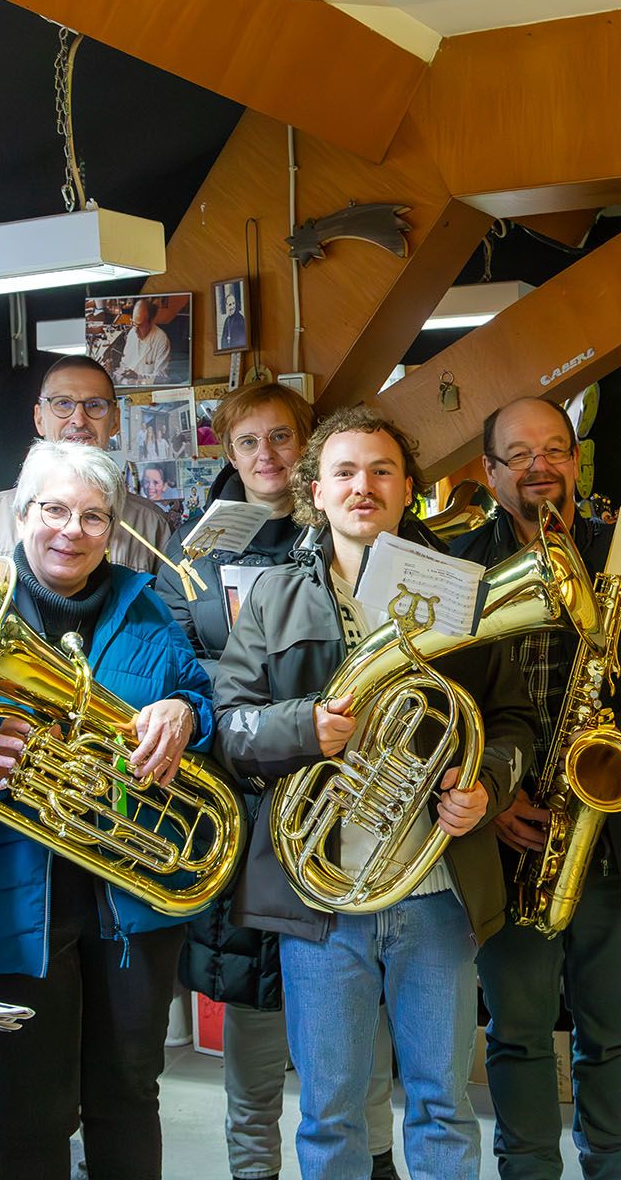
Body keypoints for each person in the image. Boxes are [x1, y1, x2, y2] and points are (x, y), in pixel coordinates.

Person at [215, 405, 537, 1179]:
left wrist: (486, 785)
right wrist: (304, 727)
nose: (365, 486)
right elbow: (230, 730)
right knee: (329, 1112)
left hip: (436, 886)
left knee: (442, 1105)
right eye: (345, 472)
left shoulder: (464, 590)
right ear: (314, 493)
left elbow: (517, 720)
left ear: (407, 490)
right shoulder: (269, 597)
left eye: (383, 471)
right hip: (319, 893)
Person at [0, 441, 216, 1180]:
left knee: (128, 1096)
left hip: (130, 902)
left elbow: (201, 698)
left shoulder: (145, 603)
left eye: (94, 516)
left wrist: (183, 713)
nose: (72, 531)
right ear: (22, 515)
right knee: (31, 1112)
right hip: (9, 899)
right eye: (54, 510)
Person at [450, 396, 621, 1180]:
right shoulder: (457, 566)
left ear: (576, 462)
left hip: (612, 828)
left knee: (613, 1033)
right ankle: (528, 1170)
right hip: (505, 833)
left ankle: (613, 1169)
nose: (540, 468)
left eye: (555, 450)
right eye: (519, 454)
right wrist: (490, 799)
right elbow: (431, 699)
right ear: (491, 472)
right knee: (518, 1031)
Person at [159, 383, 404, 1180]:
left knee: (356, 1024)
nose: (266, 456)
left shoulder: (364, 538)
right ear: (228, 456)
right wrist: (241, 677)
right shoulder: (193, 561)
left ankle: (373, 1162)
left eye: (282, 439)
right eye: (246, 443)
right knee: (254, 1020)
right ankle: (251, 1168)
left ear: (308, 456)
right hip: (247, 810)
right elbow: (187, 682)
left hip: (351, 812)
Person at [0, 354, 171, 606]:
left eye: (94, 405)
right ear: (39, 417)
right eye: (62, 403)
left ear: (115, 420)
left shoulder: (151, 525)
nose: (78, 419)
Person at [118, 296, 173, 385]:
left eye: (140, 325)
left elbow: (162, 378)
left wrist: (138, 376)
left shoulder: (162, 340)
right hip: (128, 383)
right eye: (133, 323)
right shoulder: (133, 332)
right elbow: (124, 362)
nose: (135, 330)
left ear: (150, 321)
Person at [217, 284, 247, 352]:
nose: (233, 306)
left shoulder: (240, 319)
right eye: (230, 304)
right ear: (226, 306)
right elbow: (223, 340)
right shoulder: (227, 320)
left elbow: (241, 341)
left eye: (234, 303)